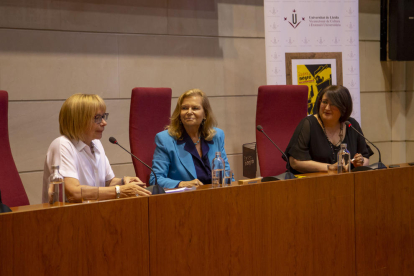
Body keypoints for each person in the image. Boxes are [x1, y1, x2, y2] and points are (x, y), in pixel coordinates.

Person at [42, 94, 151, 203]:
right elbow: (73, 192)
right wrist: (119, 190)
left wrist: (123, 182)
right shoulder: (63, 145)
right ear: (79, 120)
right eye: (98, 118)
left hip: (93, 213)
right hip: (65, 217)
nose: (104, 123)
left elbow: (107, 182)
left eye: (103, 117)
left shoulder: (96, 143)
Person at [150, 89, 232, 189]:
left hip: (216, 197)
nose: (189, 112)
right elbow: (156, 179)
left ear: (205, 114)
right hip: (184, 199)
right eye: (184, 108)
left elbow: (228, 175)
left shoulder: (217, 136)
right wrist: (182, 184)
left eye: (195, 108)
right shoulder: (165, 139)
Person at [285, 85, 373, 174]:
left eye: (333, 104)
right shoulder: (308, 124)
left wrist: (360, 162)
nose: (327, 108)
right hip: (312, 182)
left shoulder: (351, 125)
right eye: (324, 102)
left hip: (345, 181)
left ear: (343, 107)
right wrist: (330, 167)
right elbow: (295, 162)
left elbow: (365, 158)